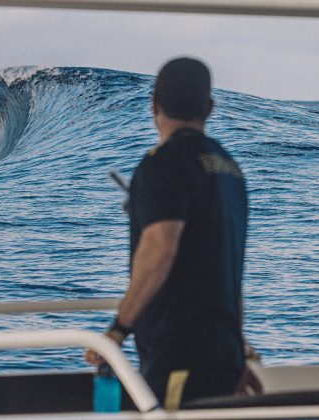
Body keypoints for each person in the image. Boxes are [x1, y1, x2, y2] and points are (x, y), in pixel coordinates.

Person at [86, 57, 259, 408]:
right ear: (209, 107)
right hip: (223, 351)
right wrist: (238, 348)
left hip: (181, 355)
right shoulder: (231, 169)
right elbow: (229, 268)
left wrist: (117, 330)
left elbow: (161, 248)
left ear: (154, 104)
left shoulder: (162, 164)